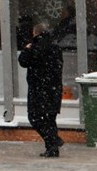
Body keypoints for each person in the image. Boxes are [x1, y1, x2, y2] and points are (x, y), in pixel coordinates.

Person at [18, 23, 64, 158]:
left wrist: (26, 49)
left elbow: (23, 62)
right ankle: (52, 149)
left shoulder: (34, 47)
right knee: (50, 119)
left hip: (38, 89)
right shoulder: (56, 48)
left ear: (35, 33)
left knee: (35, 118)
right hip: (54, 88)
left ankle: (53, 141)